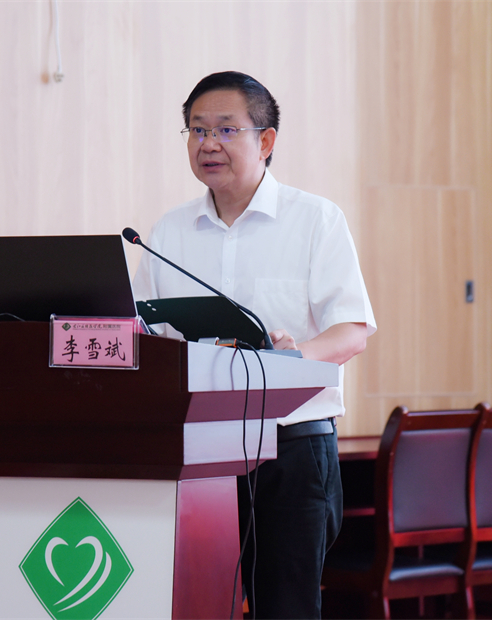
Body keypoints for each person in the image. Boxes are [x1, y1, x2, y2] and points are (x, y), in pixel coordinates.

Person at [133, 71, 376, 619]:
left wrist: (286, 361)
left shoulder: (315, 220)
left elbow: (351, 331)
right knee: (197, 604)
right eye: (197, 130)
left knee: (286, 608)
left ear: (266, 141)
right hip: (199, 452)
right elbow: (145, 334)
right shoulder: (169, 232)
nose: (208, 144)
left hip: (291, 448)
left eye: (225, 129)